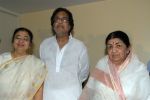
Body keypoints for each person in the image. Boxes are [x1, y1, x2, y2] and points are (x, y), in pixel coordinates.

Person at [79, 30, 150, 100]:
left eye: (118, 46)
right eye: (110, 47)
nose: (113, 50)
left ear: (128, 49)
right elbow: (88, 92)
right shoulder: (102, 65)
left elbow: (146, 96)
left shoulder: (139, 70)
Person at [40, 7, 89, 100]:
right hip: (48, 96)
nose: (60, 22)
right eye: (57, 19)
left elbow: (84, 74)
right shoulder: (44, 44)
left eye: (64, 19)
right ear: (53, 24)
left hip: (73, 96)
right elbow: (42, 71)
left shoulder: (80, 46)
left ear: (70, 25)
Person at [0, 27, 47, 100]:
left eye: (25, 39)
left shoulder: (37, 64)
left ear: (30, 44)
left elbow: (38, 92)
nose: (21, 41)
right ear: (12, 41)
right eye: (18, 38)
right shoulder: (2, 59)